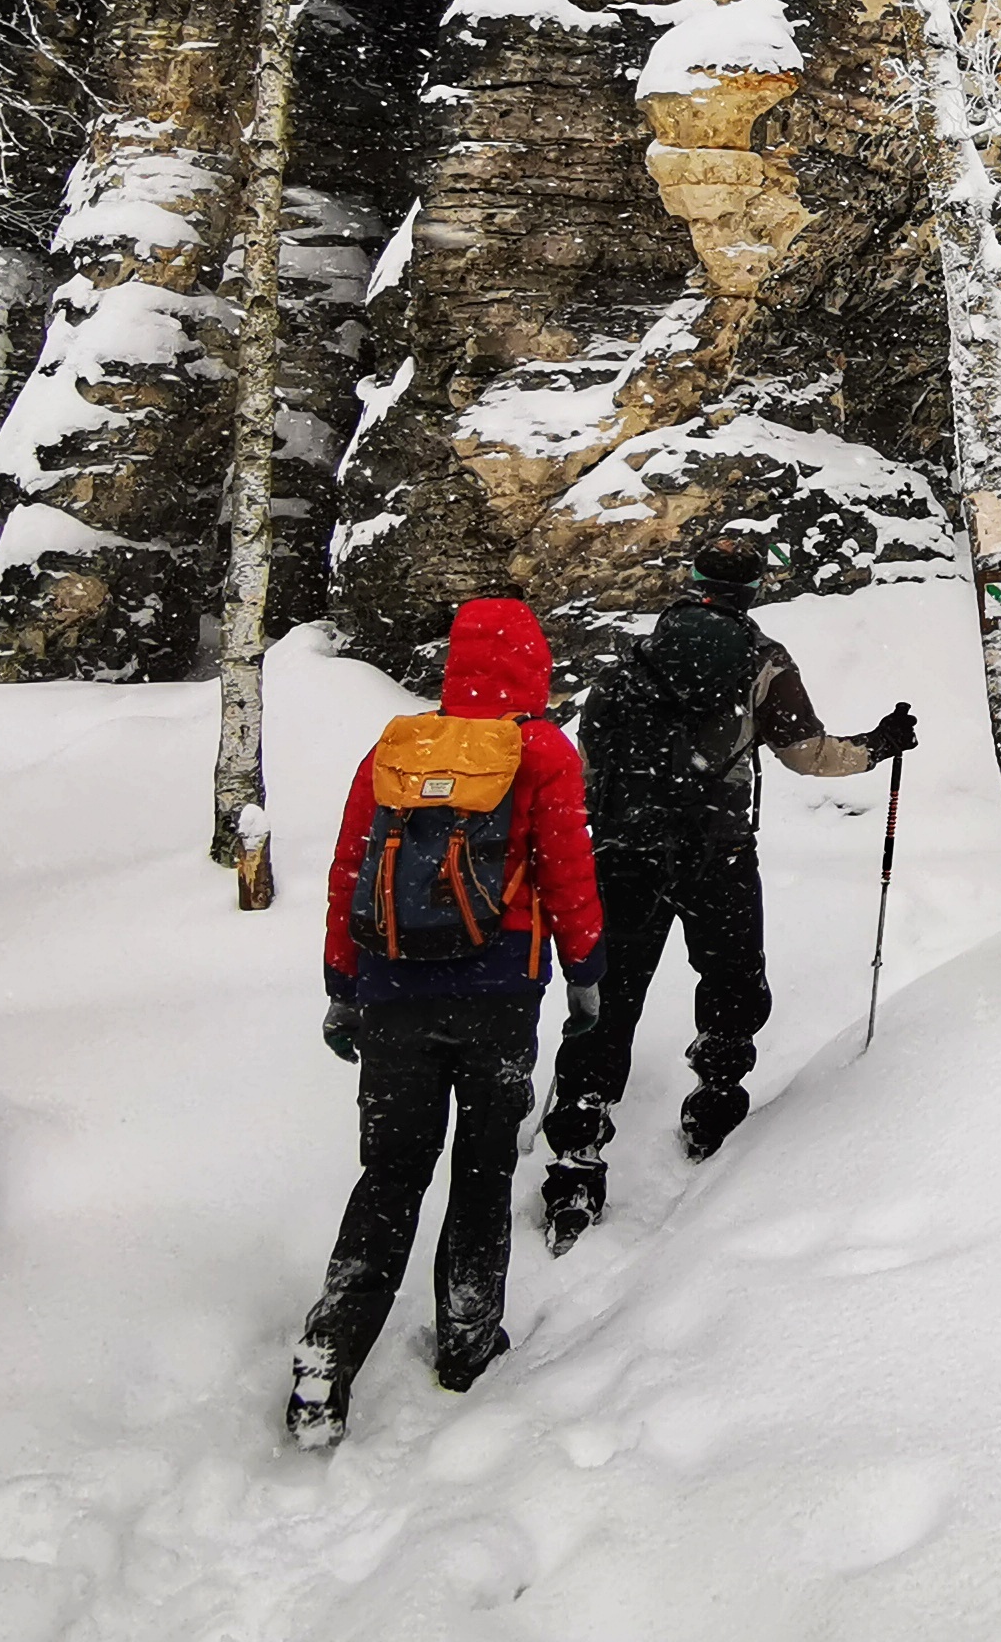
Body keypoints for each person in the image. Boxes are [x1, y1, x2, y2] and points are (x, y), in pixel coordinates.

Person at [539, 534, 912, 1248]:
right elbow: (807, 756)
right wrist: (879, 745)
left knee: (610, 998)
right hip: (716, 847)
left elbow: (586, 773)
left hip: (624, 852)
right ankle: (713, 1103)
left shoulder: (628, 666)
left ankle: (576, 1160)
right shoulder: (763, 661)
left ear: (691, 581)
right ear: (754, 590)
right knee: (733, 975)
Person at [289, 594, 601, 1448]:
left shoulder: (399, 746)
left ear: (456, 664)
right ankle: (466, 1343)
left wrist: (341, 983)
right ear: (532, 662)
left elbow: (350, 867)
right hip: (499, 995)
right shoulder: (542, 751)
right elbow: (568, 870)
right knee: (481, 1171)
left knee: (388, 1176)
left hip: (393, 992)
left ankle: (329, 1348)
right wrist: (587, 972)